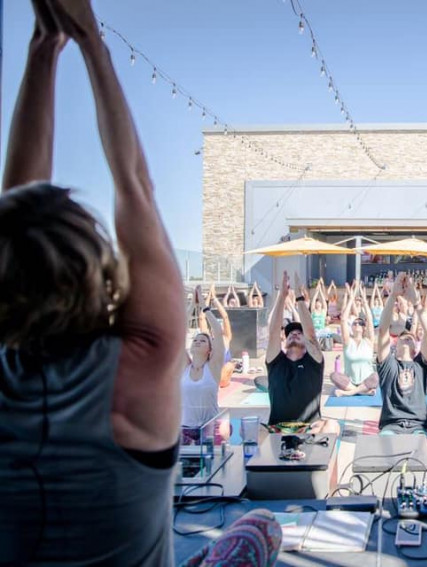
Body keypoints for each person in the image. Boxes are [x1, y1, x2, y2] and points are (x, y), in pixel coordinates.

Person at [0, 2, 280, 564]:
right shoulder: (142, 362)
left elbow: (19, 214)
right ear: (103, 275)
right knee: (260, 527)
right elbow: (135, 185)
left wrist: (42, 45)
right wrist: (90, 44)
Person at [265, 271, 338, 435]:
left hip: (310, 428)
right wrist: (282, 296)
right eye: (290, 333)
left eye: (299, 333)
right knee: (252, 430)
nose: (294, 334)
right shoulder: (276, 361)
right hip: (278, 428)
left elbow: (311, 334)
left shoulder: (313, 362)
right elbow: (273, 331)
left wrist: (299, 297)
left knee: (332, 426)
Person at [376, 273, 427, 437]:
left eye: (410, 338)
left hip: (417, 426)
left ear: (415, 348)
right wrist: (392, 296)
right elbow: (383, 331)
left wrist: (417, 302)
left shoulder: (420, 365)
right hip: (391, 426)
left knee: (421, 453)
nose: (406, 338)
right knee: (384, 449)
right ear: (394, 346)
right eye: (402, 337)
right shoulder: (388, 365)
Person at [182, 287, 226, 441]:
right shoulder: (185, 367)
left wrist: (204, 307)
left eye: (203, 340)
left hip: (210, 429)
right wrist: (192, 306)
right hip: (185, 429)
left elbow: (219, 333)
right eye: (195, 340)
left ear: (210, 349)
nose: (198, 342)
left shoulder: (213, 367)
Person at [330, 282, 379, 397]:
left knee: (376, 376)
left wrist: (365, 301)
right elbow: (343, 320)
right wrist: (351, 298)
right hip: (350, 382)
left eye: (360, 323)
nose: (357, 324)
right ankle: (362, 391)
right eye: (354, 323)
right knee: (334, 375)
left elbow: (370, 320)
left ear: (363, 328)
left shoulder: (368, 341)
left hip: (367, 380)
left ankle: (349, 393)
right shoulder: (348, 341)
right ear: (351, 327)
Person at [199, 283, 238, 387]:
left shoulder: (226, 338)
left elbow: (225, 317)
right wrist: (207, 299)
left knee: (230, 365)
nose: (218, 327)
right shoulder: (208, 339)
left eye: (220, 326)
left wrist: (214, 299)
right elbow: (202, 318)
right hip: (210, 375)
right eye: (214, 327)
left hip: (221, 378)